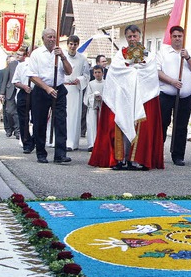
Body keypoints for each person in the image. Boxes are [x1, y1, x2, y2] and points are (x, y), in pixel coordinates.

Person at [90, 24, 163, 170]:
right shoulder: (119, 55)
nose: (132, 39)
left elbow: (150, 74)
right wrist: (130, 68)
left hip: (142, 97)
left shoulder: (149, 54)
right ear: (126, 37)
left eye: (135, 36)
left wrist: (137, 68)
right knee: (121, 125)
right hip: (123, 96)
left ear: (140, 37)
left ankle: (137, 159)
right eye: (129, 36)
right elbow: (115, 73)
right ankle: (120, 158)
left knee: (140, 126)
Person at [156, 25, 191, 166]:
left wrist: (187, 57)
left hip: (185, 97)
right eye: (175, 36)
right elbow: (157, 72)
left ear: (183, 37)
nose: (177, 38)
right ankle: (158, 152)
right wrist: (172, 81)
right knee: (162, 123)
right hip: (166, 94)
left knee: (181, 126)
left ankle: (178, 155)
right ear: (171, 37)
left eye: (180, 36)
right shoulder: (162, 53)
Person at [28, 28, 73, 164]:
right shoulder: (36, 54)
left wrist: (63, 57)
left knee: (60, 121)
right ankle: (41, 153)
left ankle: (60, 154)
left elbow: (69, 71)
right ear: (43, 38)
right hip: (42, 90)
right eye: (49, 37)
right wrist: (47, 88)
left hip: (58, 90)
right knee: (39, 122)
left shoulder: (60, 52)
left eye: (54, 37)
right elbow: (32, 76)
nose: (52, 39)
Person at [62, 35, 90, 151]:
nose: (72, 46)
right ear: (67, 44)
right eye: (71, 44)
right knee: (62, 115)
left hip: (75, 90)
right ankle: (60, 140)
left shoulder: (82, 59)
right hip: (63, 88)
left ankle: (71, 142)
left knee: (73, 116)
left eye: (75, 44)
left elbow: (87, 75)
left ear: (78, 45)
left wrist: (80, 79)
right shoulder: (62, 57)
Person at [12, 46, 35, 154]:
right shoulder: (21, 66)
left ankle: (36, 140)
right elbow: (15, 81)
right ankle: (26, 142)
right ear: (28, 53)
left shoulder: (40, 65)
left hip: (37, 93)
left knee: (37, 119)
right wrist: (24, 86)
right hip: (24, 92)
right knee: (23, 119)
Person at [83, 65, 105, 152]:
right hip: (93, 108)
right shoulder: (91, 84)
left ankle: (102, 143)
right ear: (93, 74)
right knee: (92, 125)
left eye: (99, 72)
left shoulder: (106, 83)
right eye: (95, 72)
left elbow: (109, 95)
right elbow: (87, 97)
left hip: (102, 108)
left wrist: (102, 97)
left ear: (103, 73)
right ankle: (92, 144)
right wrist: (94, 97)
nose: (97, 74)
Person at [0, 53, 20, 139]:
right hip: (10, 90)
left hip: (21, 89)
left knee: (18, 112)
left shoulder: (25, 64)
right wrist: (2, 93)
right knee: (10, 111)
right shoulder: (11, 65)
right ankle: (10, 128)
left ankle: (18, 131)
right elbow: (5, 80)